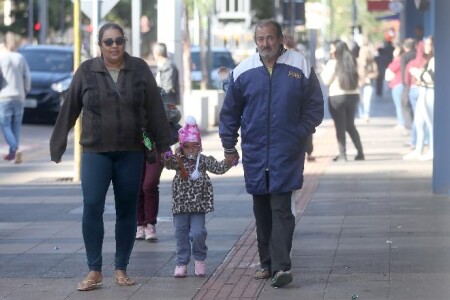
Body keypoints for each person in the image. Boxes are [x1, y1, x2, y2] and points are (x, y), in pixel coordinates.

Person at [49, 23, 171, 291]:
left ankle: (121, 268)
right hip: (95, 151)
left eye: (119, 40)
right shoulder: (87, 70)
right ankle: (94, 270)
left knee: (126, 208)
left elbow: (155, 108)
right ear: (100, 45)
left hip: (131, 151)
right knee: (92, 205)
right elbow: (70, 107)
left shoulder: (139, 69)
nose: (114, 46)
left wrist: (164, 146)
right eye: (108, 42)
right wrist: (57, 144)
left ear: (124, 42)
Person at [219, 19, 324, 288]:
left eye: (270, 38)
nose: (265, 43)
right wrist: (229, 145)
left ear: (280, 39)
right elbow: (230, 112)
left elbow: (314, 105)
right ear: (255, 41)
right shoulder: (243, 71)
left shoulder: (299, 65)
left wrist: (298, 132)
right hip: (255, 152)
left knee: (281, 208)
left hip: (286, 152)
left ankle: (280, 267)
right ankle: (266, 262)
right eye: (260, 38)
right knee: (262, 209)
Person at [163, 116, 233, 278]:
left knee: (198, 233)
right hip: (180, 205)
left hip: (198, 205)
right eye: (187, 146)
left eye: (194, 146)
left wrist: (229, 161)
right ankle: (181, 263)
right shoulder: (177, 160)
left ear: (199, 145)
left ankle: (200, 259)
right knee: (181, 234)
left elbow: (219, 168)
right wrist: (166, 156)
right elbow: (167, 163)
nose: (191, 150)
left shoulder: (204, 161)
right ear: (182, 146)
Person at [136, 42, 182, 242]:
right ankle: (140, 224)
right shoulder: (129, 95)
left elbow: (175, 114)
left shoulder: (159, 93)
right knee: (136, 186)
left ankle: (151, 224)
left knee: (149, 184)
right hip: (134, 146)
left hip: (156, 145)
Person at [322, 39, 364, 161]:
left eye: (331, 48)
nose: (330, 51)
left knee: (340, 126)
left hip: (337, 96)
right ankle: (360, 152)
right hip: (353, 96)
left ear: (336, 50)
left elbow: (326, 80)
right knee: (350, 125)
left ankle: (342, 154)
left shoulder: (333, 63)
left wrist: (327, 67)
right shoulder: (352, 61)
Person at [0, 32, 31, 163]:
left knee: (5, 124)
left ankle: (15, 148)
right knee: (16, 126)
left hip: (4, 96)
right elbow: (27, 77)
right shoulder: (20, 57)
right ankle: (13, 154)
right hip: (19, 96)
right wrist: (25, 91)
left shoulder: (2, 58)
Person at [403, 36, 434, 161]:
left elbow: (431, 77)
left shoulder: (435, 60)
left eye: (429, 44)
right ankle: (419, 149)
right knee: (419, 121)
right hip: (423, 90)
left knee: (431, 123)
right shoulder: (428, 60)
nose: (426, 47)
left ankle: (432, 150)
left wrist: (419, 73)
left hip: (430, 90)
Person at [357, 40, 378, 122]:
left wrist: (369, 76)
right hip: (359, 84)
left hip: (369, 84)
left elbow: (376, 73)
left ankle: (366, 115)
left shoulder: (372, 62)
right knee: (359, 100)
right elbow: (354, 72)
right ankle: (361, 114)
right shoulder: (357, 61)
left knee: (367, 100)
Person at [385, 43, 405, 129]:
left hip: (398, 84)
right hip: (396, 84)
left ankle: (401, 122)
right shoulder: (398, 60)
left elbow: (391, 68)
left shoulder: (399, 60)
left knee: (399, 105)